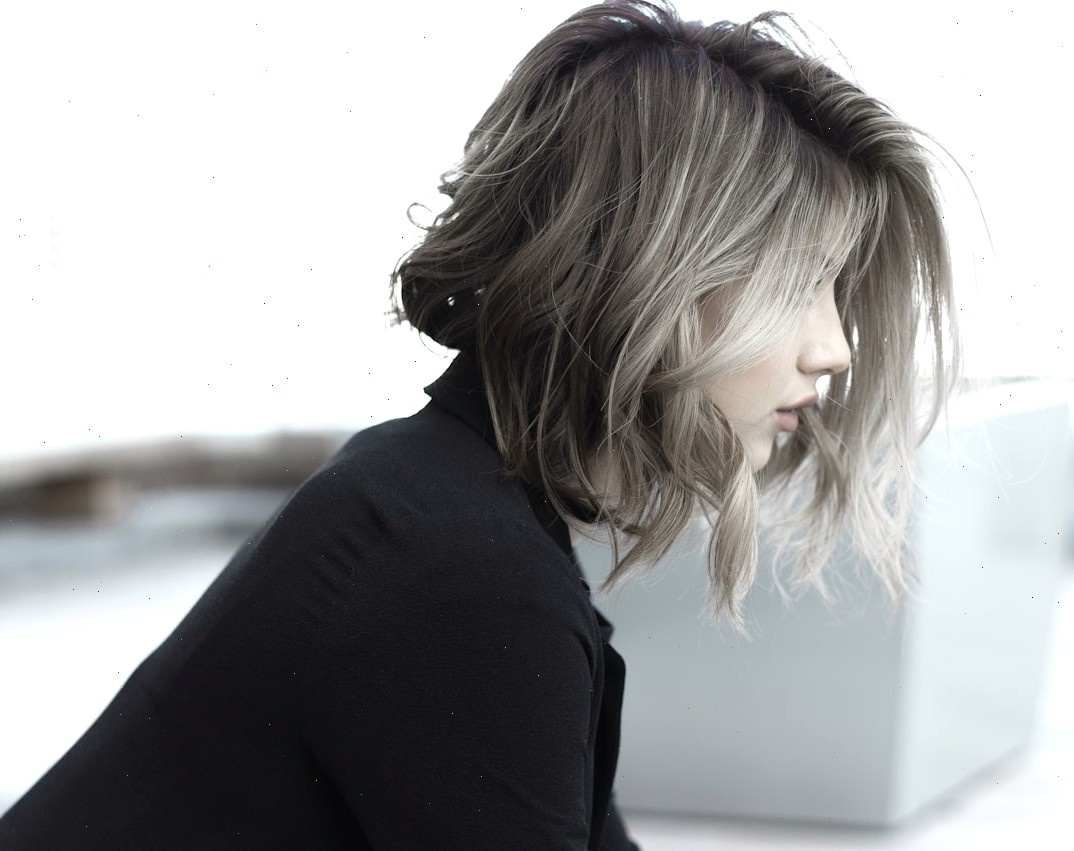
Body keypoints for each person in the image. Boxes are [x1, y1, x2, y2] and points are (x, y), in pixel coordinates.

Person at [0, 1, 959, 848]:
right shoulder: (461, 567)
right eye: (800, 282)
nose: (836, 347)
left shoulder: (443, 504)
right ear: (649, 269)